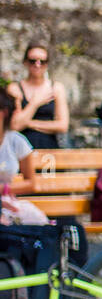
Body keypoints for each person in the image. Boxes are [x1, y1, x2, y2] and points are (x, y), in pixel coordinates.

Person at [7, 44, 68, 152]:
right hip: (20, 150)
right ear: (25, 62)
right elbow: (15, 125)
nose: (37, 65)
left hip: (48, 150)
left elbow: (62, 125)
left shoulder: (56, 88)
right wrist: (35, 103)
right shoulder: (15, 88)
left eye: (42, 61)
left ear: (47, 64)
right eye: (32, 61)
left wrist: (29, 123)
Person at [0, 91, 43, 225]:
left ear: (4, 113)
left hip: (8, 203)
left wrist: (4, 189)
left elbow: (31, 183)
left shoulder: (16, 141)